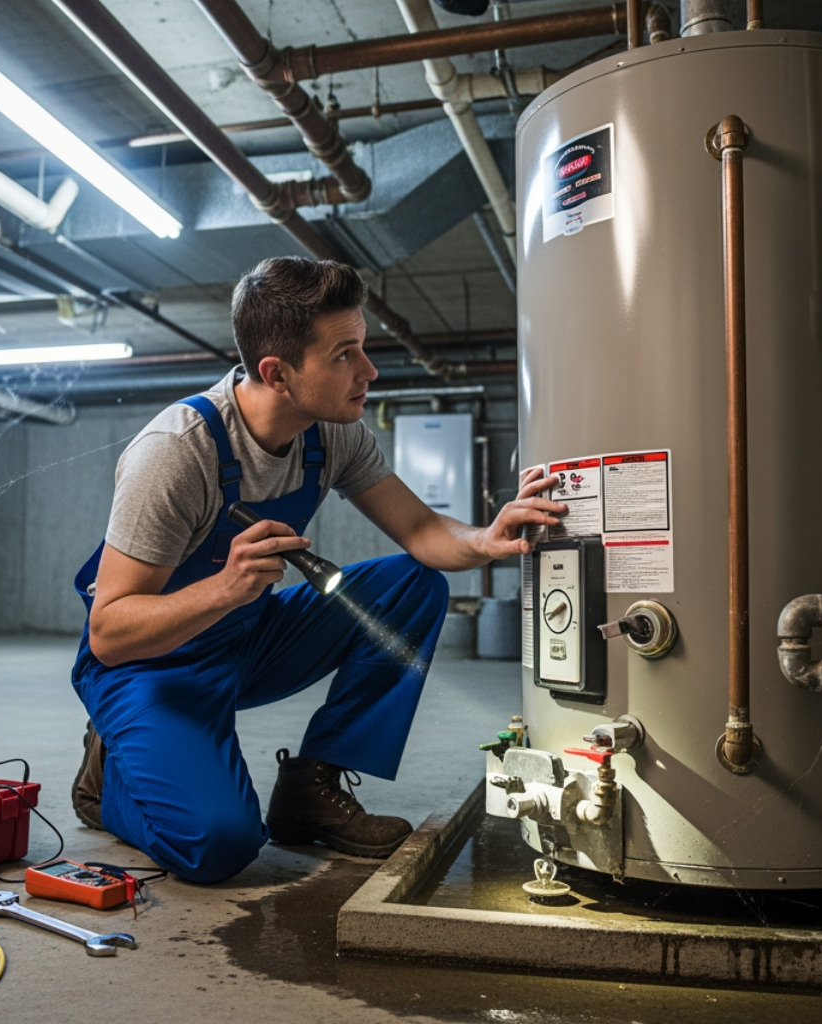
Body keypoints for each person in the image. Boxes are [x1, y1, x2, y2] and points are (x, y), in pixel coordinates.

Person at [68, 256, 564, 884]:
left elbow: (421, 532)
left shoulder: (330, 435)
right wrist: (224, 588)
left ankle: (312, 787)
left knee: (411, 585)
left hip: (248, 640)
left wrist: (486, 537)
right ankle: (107, 782)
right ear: (277, 373)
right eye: (344, 355)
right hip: (150, 666)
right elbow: (109, 634)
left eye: (363, 348)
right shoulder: (175, 454)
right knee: (219, 845)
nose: (368, 371)